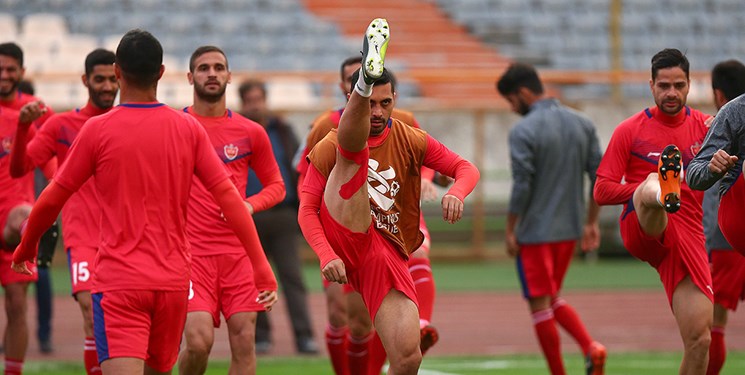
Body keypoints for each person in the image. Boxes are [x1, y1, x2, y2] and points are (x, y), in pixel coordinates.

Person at [10, 29, 278, 375]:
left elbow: (53, 196)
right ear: (162, 73)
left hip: (120, 282)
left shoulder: (97, 130)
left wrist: (26, 246)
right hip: (173, 284)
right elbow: (230, 199)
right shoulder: (188, 128)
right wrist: (261, 267)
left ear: (118, 73)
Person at [298, 18, 479, 375]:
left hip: (386, 250)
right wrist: (324, 253)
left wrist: (456, 191)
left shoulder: (411, 135)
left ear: (395, 99)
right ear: (349, 100)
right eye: (369, 102)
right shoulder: (329, 137)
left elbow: (465, 168)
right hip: (343, 232)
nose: (377, 112)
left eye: (385, 103)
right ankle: (364, 80)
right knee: (352, 153)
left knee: (407, 356)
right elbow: (306, 208)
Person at [595, 48, 713, 374]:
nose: (671, 92)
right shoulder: (629, 130)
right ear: (651, 86)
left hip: (688, 231)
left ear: (690, 85)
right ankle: (663, 190)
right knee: (651, 182)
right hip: (642, 223)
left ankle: (665, 187)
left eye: (678, 85)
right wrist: (645, 192)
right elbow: (601, 190)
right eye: (664, 86)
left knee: (700, 340)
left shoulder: (707, 128)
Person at [176, 46, 284, 375]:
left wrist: (248, 205)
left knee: (244, 340)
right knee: (197, 342)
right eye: (204, 68)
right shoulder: (175, 126)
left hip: (239, 256)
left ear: (228, 76)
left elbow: (277, 186)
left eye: (219, 67)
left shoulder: (251, 132)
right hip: (191, 255)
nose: (212, 73)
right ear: (190, 77)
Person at [10, 48, 119, 374]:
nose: (106, 86)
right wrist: (22, 128)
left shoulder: (128, 121)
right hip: (83, 235)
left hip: (124, 236)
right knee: (90, 311)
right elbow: (20, 168)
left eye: (112, 79)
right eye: (99, 79)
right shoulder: (61, 125)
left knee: (119, 320)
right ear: (86, 80)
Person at [496, 62, 606, 375]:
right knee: (552, 297)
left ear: (524, 93)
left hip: (535, 232)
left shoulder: (523, 130)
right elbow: (598, 175)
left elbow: (522, 184)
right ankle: (590, 348)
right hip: (569, 230)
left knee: (539, 305)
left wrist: (510, 228)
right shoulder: (582, 123)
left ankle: (575, 359)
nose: (511, 107)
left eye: (511, 100)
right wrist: (591, 222)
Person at [238, 79, 319, 355]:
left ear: (265, 100)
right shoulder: (237, 133)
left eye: (258, 99)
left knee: (292, 277)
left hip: (283, 214)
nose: (255, 105)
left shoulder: (283, 130)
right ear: (242, 103)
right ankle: (261, 337)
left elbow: (300, 166)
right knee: (254, 280)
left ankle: (305, 336)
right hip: (248, 216)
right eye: (249, 100)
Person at [686, 60, 745, 374]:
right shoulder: (732, 118)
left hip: (725, 244)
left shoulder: (723, 122)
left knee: (715, 324)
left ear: (717, 93)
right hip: (732, 232)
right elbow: (697, 174)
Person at [15, 78, 57, 356]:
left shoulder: (40, 127)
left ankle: (42, 334)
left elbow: (52, 171)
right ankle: (43, 335)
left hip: (35, 212)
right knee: (40, 272)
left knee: (39, 271)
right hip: (32, 212)